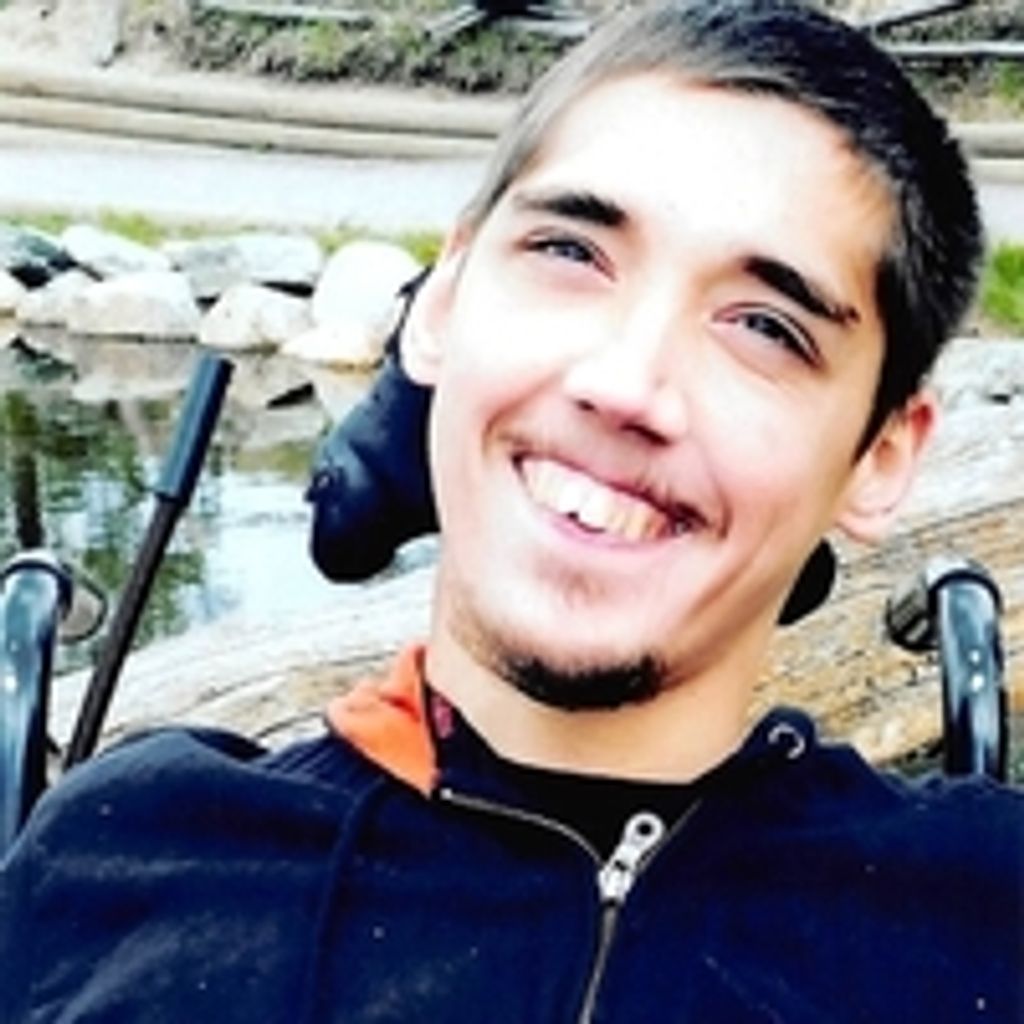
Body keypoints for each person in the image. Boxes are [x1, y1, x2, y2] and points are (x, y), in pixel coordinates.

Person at [2, 2, 1021, 1021]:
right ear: (441, 305)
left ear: (881, 459)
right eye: (571, 252)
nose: (625, 382)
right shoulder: (118, 876)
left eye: (765, 326)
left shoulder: (979, 928)